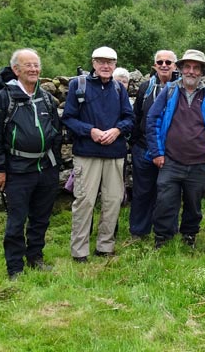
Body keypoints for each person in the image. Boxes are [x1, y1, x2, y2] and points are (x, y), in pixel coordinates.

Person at [0, 48, 62, 280]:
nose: (33, 69)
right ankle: (15, 267)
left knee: (41, 218)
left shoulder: (46, 97)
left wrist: (54, 163)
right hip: (18, 170)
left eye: (36, 65)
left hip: (45, 169)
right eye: (27, 65)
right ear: (16, 70)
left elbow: (56, 132)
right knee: (17, 220)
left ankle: (35, 257)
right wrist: (0, 167)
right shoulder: (4, 97)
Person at [145, 49, 205, 249]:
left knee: (194, 204)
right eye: (187, 67)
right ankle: (162, 239)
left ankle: (189, 236)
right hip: (171, 161)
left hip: (200, 162)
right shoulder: (169, 91)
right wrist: (157, 152)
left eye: (196, 68)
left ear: (202, 72)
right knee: (165, 201)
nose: (191, 71)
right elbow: (152, 120)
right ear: (180, 69)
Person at [62, 46, 134, 262]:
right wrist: (90, 131)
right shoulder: (78, 85)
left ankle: (105, 246)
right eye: (101, 61)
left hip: (114, 153)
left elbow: (130, 118)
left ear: (115, 65)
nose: (105, 66)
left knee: (113, 201)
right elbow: (68, 118)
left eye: (110, 62)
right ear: (93, 63)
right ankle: (79, 251)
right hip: (87, 153)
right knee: (84, 202)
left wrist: (117, 130)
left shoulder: (119, 89)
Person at [128, 50, 178, 240]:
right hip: (144, 148)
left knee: (169, 193)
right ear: (154, 65)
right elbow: (137, 116)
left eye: (168, 62)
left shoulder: (180, 88)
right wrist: (134, 143)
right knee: (142, 191)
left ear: (175, 66)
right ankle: (139, 231)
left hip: (171, 150)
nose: (164, 65)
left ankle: (168, 231)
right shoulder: (145, 88)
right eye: (160, 62)